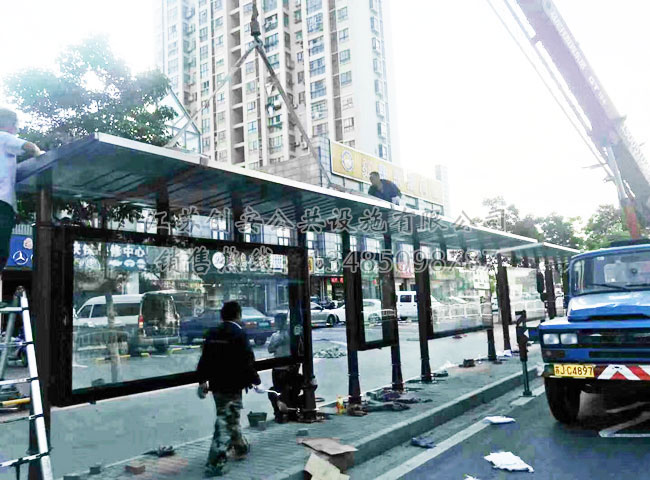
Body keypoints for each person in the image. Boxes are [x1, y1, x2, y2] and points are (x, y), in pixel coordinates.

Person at [197, 301, 262, 477]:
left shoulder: (212, 333)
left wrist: (202, 381)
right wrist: (256, 381)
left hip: (217, 385)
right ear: (238, 315)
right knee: (225, 422)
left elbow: (205, 359)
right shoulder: (239, 333)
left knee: (228, 416)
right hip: (233, 385)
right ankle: (215, 464)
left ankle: (240, 447)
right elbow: (247, 361)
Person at [0, 108, 43, 277]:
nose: (17, 129)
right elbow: (28, 146)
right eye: (17, 125)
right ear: (10, 124)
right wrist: (39, 153)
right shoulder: (3, 137)